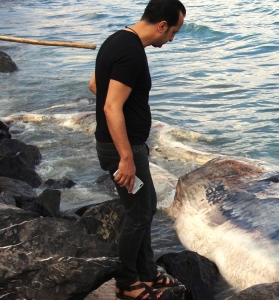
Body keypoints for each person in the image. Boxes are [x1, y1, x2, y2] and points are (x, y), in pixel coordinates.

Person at [88, 1, 186, 299]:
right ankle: (126, 282)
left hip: (125, 145)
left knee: (147, 204)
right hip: (122, 149)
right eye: (173, 32)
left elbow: (95, 85)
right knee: (138, 214)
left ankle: (146, 271)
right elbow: (110, 105)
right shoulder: (131, 52)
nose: (172, 39)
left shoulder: (117, 40)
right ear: (161, 26)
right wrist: (126, 158)